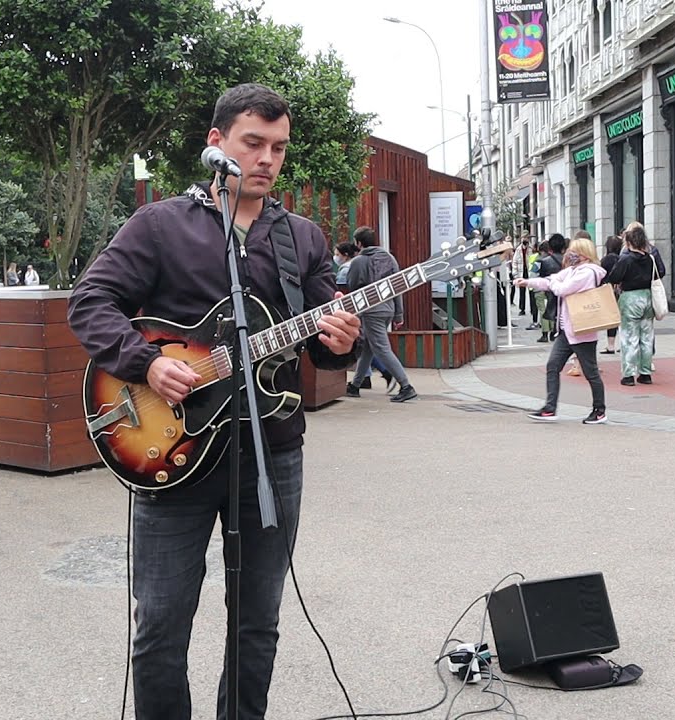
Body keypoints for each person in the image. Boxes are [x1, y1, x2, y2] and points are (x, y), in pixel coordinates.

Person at [67, 83, 360, 720]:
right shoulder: (161, 225)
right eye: (253, 143)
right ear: (217, 143)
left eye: (278, 148)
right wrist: (147, 361)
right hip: (170, 449)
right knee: (161, 628)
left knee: (258, 623)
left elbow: (323, 346)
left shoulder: (302, 239)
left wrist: (340, 340)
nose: (266, 159)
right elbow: (90, 303)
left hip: (269, 451)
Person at [517, 237, 608, 424]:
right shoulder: (573, 271)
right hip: (567, 329)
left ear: (584, 254)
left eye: (574, 251)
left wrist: (550, 284)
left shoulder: (588, 273)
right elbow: (552, 280)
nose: (570, 254)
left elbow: (562, 289)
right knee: (553, 366)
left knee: (591, 372)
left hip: (582, 330)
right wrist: (528, 282)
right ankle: (550, 408)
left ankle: (599, 410)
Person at [344, 226, 417, 402]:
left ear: (358, 243)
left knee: (382, 349)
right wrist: (399, 314)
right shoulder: (389, 258)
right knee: (369, 347)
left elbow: (352, 287)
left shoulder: (358, 261)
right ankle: (355, 385)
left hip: (371, 310)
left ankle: (406, 386)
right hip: (388, 309)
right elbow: (398, 287)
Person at [602, 225, 663, 386]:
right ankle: (645, 372)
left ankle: (628, 374)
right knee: (647, 336)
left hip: (630, 298)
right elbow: (660, 272)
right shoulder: (650, 258)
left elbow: (614, 277)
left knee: (629, 337)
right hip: (648, 297)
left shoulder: (626, 259)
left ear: (628, 242)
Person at [599, 235, 623, 354]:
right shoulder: (622, 258)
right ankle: (623, 343)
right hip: (621, 291)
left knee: (612, 319)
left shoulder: (605, 260)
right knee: (623, 318)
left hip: (608, 291)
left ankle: (611, 345)